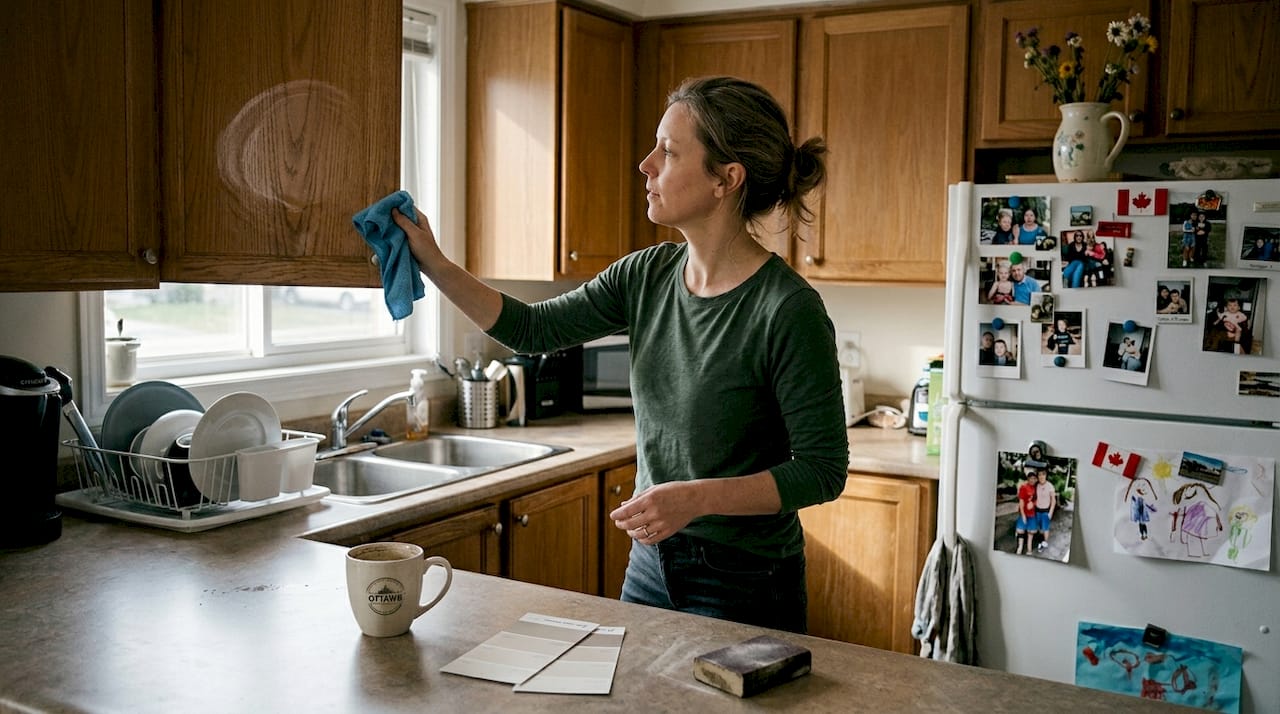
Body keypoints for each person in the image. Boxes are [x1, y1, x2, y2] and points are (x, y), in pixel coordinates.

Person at [390, 76, 848, 634]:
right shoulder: (647, 274)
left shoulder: (787, 310)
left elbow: (822, 472)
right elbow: (532, 328)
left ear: (727, 179)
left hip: (746, 578)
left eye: (670, 151)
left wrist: (695, 500)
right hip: (650, 567)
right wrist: (433, 262)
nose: (646, 164)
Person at [1032, 468, 1057, 552]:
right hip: (1037, 510)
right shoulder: (1037, 485)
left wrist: (1050, 513)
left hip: (1046, 511)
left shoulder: (1050, 486)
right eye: (1039, 475)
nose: (1041, 476)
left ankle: (1045, 542)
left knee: (1045, 528)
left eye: (1043, 474)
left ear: (1046, 475)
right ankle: (1039, 540)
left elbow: (1053, 501)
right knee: (1038, 527)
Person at [1015, 469, 1037, 554]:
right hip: (1024, 513)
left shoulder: (1035, 488)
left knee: (1030, 532)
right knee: (1021, 530)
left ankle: (1029, 549)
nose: (1032, 480)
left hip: (1032, 514)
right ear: (1028, 479)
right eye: (1030, 478)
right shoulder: (1023, 487)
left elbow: (1036, 500)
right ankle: (1020, 547)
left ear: (1036, 479)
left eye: (1034, 478)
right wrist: (1023, 515)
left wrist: (1033, 504)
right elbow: (1021, 502)